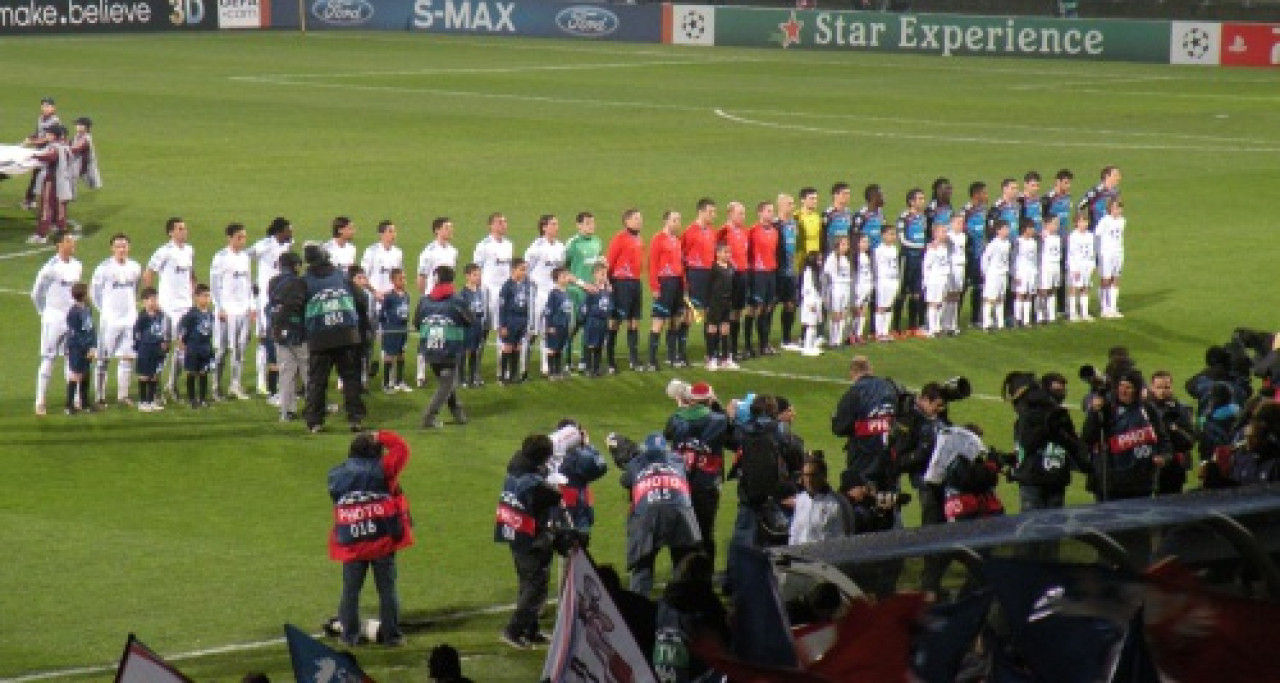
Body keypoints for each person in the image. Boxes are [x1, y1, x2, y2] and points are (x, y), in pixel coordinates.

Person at [328, 430, 413, 647]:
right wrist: (380, 435)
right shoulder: (384, 469)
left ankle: (350, 637)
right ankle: (392, 637)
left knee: (350, 591)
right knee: (387, 590)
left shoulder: (336, 474)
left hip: (352, 539)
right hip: (381, 539)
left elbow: (337, 497)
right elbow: (402, 448)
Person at [288, 244, 368, 433]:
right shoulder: (342, 276)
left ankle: (315, 421)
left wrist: (303, 329)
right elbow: (361, 300)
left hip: (319, 338)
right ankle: (355, 419)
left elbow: (294, 308)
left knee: (317, 381)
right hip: (347, 335)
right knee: (350, 378)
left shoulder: (304, 282)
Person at [495, 434, 562, 649]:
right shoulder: (533, 484)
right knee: (535, 586)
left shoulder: (516, 467)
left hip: (515, 533)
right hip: (531, 538)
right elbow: (556, 496)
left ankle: (530, 631)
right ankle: (513, 631)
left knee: (528, 583)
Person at [621, 433, 702, 596]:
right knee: (683, 564)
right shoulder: (678, 460)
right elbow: (689, 473)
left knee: (643, 564)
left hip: (647, 516)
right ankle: (685, 609)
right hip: (680, 515)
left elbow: (625, 481)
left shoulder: (637, 462)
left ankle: (637, 609)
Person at [664, 381, 729, 569]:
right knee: (705, 533)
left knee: (680, 533)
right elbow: (729, 426)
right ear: (709, 399)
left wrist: (683, 407)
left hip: (680, 485)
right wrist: (717, 404)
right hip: (706, 486)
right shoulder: (718, 420)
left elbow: (667, 434)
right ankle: (704, 578)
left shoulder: (676, 419)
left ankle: (680, 574)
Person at [1082, 369, 1170, 501]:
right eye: (1121, 387)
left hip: (1142, 482)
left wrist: (1163, 456)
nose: (1123, 391)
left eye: (1128, 387)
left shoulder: (1148, 409)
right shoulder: (1106, 409)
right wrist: (1094, 413)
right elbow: (1088, 437)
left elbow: (1163, 440)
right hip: (1111, 483)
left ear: (1137, 390)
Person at [652, 553, 730, 683]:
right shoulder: (705, 602)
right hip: (696, 671)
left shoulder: (663, 603)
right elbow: (724, 638)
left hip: (662, 669)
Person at [413, 265, 474, 428]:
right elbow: (470, 320)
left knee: (446, 382)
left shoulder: (424, 301)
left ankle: (458, 414)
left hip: (429, 348)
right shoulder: (457, 301)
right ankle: (429, 417)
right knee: (447, 384)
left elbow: (416, 323)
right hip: (449, 348)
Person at [143, 217, 196, 400]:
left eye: (185, 228)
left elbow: (192, 274)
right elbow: (148, 273)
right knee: (164, 349)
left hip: (186, 307)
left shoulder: (189, 250)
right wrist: (152, 299)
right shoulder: (164, 252)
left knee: (183, 348)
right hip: (169, 308)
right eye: (180, 229)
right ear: (171, 232)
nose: (184, 231)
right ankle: (155, 389)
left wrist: (194, 293)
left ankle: (172, 385)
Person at [31, 232, 83, 416]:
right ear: (59, 245)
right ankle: (40, 401)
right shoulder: (49, 269)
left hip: (72, 319)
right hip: (53, 319)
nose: (73, 243)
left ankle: (74, 400)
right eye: (69, 241)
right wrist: (44, 312)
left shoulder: (77, 265)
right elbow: (36, 294)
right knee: (49, 358)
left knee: (72, 358)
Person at [831, 355, 899, 491]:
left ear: (853, 373)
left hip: (864, 457)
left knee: (862, 500)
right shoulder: (890, 388)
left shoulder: (855, 392)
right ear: (871, 370)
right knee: (889, 500)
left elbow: (839, 428)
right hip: (889, 457)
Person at [89, 232, 141, 407]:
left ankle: (123, 395)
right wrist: (105, 310)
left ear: (129, 247)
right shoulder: (103, 268)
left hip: (129, 320)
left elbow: (136, 290)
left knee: (127, 358)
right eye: (118, 246)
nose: (121, 249)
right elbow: (94, 293)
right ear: (112, 248)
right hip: (110, 321)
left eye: (124, 245)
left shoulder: (135, 267)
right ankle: (100, 397)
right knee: (103, 358)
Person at [246, 217, 294, 397]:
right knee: (264, 339)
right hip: (264, 300)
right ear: (280, 231)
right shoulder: (264, 245)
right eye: (289, 230)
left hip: (281, 299)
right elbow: (245, 257)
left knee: (279, 339)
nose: (292, 233)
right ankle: (261, 382)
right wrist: (252, 284)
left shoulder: (287, 244)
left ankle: (280, 380)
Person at [210, 223, 256, 400]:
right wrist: (219, 307)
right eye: (239, 237)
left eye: (244, 237)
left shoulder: (245, 257)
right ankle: (215, 387)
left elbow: (249, 283)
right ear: (229, 238)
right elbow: (214, 285)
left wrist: (252, 306)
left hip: (243, 310)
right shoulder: (220, 257)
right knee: (221, 351)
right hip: (227, 311)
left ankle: (235, 385)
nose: (243, 240)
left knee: (240, 350)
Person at [548, 420, 608, 547]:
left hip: (554, 506)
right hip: (577, 508)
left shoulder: (550, 453)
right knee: (577, 550)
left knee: (560, 548)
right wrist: (587, 445)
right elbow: (600, 467)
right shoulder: (577, 455)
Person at [416, 218, 459, 386]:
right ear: (437, 230)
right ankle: (420, 374)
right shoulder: (428, 252)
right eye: (447, 228)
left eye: (451, 227)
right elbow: (421, 277)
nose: (450, 230)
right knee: (427, 334)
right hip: (432, 299)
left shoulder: (453, 251)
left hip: (447, 299)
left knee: (446, 334)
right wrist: (425, 297)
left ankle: (444, 370)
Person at [473, 213, 514, 382]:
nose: (503, 225)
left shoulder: (509, 245)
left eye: (504, 221)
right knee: (482, 332)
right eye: (499, 222)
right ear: (491, 226)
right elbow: (476, 270)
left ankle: (501, 371)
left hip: (504, 294)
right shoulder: (483, 246)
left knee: (502, 331)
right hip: (488, 293)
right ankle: (475, 370)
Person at [562, 212, 604, 373]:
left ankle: (583, 360)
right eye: (587, 223)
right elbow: (563, 269)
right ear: (578, 225)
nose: (591, 226)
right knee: (572, 327)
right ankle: (566, 361)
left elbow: (598, 266)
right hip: (575, 291)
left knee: (589, 326)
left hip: (593, 292)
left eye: (592, 222)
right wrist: (581, 283)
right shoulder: (573, 244)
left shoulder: (597, 241)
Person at [525, 215, 566, 377]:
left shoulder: (560, 247)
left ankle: (546, 366)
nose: (556, 227)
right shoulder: (536, 247)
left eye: (557, 223)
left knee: (549, 330)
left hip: (554, 295)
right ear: (544, 227)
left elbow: (561, 270)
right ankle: (523, 367)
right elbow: (526, 270)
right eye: (553, 224)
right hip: (539, 295)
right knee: (533, 331)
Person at [268, 252, 307, 422]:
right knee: (309, 371)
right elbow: (301, 305)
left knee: (286, 373)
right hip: (297, 331)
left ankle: (286, 411)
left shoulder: (273, 282)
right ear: (294, 265)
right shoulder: (299, 282)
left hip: (278, 331)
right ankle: (314, 408)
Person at [606, 209, 647, 372]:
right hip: (621, 283)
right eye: (636, 218)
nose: (639, 221)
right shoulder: (619, 238)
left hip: (635, 283)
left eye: (640, 218)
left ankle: (634, 359)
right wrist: (610, 284)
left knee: (634, 320)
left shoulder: (639, 239)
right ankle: (610, 361)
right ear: (627, 221)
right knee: (615, 321)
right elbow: (610, 261)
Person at [789, 453, 855, 545]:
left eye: (813, 475)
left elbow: (846, 537)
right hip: (800, 556)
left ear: (823, 476)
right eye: (806, 475)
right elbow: (795, 533)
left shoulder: (838, 503)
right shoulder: (801, 500)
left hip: (825, 557)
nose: (809, 480)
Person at [648, 210, 685, 370]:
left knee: (675, 320)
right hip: (664, 283)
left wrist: (684, 284)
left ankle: (671, 357)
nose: (677, 223)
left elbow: (680, 264)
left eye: (679, 220)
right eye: (674, 220)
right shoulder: (658, 239)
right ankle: (651, 360)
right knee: (659, 321)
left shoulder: (677, 240)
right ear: (666, 221)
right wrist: (655, 286)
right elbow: (653, 264)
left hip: (677, 283)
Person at [1149, 370, 1195, 495]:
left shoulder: (1182, 410)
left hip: (1174, 467)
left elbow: (1190, 441)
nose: (1163, 391)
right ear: (1152, 388)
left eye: (1166, 387)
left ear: (1172, 387)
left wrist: (1174, 430)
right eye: (1159, 387)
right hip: (1149, 465)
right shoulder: (1144, 409)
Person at [28, 124, 74, 244]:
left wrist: (34, 155)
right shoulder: (65, 146)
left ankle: (41, 234)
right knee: (60, 207)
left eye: (48, 134)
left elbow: (51, 157)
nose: (46, 136)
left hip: (52, 181)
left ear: (53, 136)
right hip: (64, 181)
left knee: (45, 207)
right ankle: (62, 232)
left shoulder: (54, 147)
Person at [717, 202, 751, 362]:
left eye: (743, 213)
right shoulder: (724, 232)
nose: (743, 217)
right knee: (727, 312)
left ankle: (734, 347)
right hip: (729, 275)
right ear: (730, 214)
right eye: (739, 213)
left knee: (738, 311)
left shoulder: (745, 231)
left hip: (742, 275)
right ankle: (725, 348)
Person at [747, 201, 780, 356]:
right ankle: (748, 345)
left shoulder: (774, 231)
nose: (771, 213)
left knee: (768, 308)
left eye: (772, 210)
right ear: (760, 213)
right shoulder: (753, 231)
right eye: (768, 211)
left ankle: (764, 344)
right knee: (756, 308)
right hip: (758, 273)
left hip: (771, 273)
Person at [895, 188, 929, 336]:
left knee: (917, 293)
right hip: (907, 258)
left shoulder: (923, 217)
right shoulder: (904, 217)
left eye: (923, 198)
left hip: (920, 258)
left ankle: (912, 326)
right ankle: (896, 327)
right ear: (911, 201)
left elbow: (924, 236)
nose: (922, 201)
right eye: (919, 198)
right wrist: (921, 246)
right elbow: (902, 240)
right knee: (902, 292)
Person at [176, 284, 215, 409]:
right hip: (193, 347)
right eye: (204, 296)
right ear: (196, 297)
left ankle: (202, 399)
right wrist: (181, 342)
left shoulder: (210, 314)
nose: (207, 299)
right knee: (192, 373)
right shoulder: (191, 314)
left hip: (205, 347)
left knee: (204, 373)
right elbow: (182, 329)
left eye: (208, 296)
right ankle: (192, 399)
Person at [1043, 169, 1075, 316]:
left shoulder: (1068, 197)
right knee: (1048, 276)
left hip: (1064, 240)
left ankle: (1062, 307)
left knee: (1063, 273)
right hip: (1050, 242)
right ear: (1058, 182)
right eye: (1066, 183)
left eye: (1069, 183)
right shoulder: (1048, 198)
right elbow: (1043, 218)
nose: (1068, 186)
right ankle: (1043, 309)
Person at [133, 288, 170, 412]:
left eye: (155, 299)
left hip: (157, 348)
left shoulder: (160, 315)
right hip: (145, 348)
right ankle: (142, 402)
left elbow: (162, 330)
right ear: (144, 301)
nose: (154, 302)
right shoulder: (142, 317)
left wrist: (163, 342)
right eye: (151, 299)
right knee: (144, 375)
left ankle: (151, 401)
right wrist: (139, 347)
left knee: (154, 375)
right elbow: (136, 334)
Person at [497, 258, 532, 384]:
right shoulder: (507, 286)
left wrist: (527, 322)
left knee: (517, 347)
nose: (524, 272)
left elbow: (528, 305)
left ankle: (513, 374)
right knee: (508, 347)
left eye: (525, 270)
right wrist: (503, 325)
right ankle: (502, 376)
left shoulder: (525, 285)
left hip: (521, 320)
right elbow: (501, 307)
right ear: (513, 270)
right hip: (510, 320)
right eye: (521, 269)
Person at [64, 283, 96, 414]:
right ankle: (69, 405)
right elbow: (75, 334)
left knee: (85, 373)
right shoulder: (73, 313)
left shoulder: (87, 309)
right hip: (77, 348)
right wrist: (86, 348)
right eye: (88, 292)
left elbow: (91, 328)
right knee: (76, 375)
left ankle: (85, 403)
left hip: (88, 346)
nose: (90, 294)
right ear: (83, 295)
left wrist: (93, 346)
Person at [961, 181, 989, 327]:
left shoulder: (984, 209)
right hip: (969, 254)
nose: (987, 195)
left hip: (981, 254)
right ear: (976, 194)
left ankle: (975, 318)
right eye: (984, 193)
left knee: (979, 285)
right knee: (963, 286)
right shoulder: (967, 210)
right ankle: (954, 318)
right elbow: (960, 229)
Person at [378, 269, 411, 393]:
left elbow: (406, 312)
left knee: (401, 354)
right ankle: (386, 383)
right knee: (389, 356)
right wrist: (385, 328)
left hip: (403, 329)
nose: (403, 281)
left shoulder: (406, 295)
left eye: (404, 278)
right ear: (393, 281)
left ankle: (399, 381)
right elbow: (382, 314)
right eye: (400, 279)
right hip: (391, 329)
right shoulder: (389, 297)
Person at [774, 193, 800, 350]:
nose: (793, 206)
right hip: (778, 271)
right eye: (789, 204)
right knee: (770, 305)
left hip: (791, 271)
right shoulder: (776, 225)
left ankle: (786, 338)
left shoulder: (793, 224)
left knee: (791, 304)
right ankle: (763, 342)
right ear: (781, 205)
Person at [1095, 198, 1126, 319]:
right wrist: (1098, 253)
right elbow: (1097, 236)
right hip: (1106, 253)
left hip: (1118, 253)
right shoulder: (1104, 221)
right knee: (1105, 280)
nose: (1117, 211)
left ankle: (1113, 307)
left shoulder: (1123, 221)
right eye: (1114, 208)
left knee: (1116, 279)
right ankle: (1104, 308)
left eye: (1119, 208)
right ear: (1109, 209)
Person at [980, 220, 1012, 331]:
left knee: (1000, 298)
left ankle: (1000, 323)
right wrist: (986, 273)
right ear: (998, 231)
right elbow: (985, 258)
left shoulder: (1007, 243)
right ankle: (986, 323)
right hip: (993, 274)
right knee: (989, 298)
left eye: (1007, 228)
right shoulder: (993, 244)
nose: (1007, 231)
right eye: (1004, 228)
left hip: (1003, 274)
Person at [542, 268, 574, 379]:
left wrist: (569, 324)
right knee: (552, 349)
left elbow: (568, 311)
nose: (566, 278)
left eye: (566, 275)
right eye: (563, 276)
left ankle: (557, 370)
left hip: (564, 326)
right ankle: (551, 372)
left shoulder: (566, 293)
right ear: (556, 279)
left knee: (559, 348)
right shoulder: (553, 294)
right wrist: (549, 326)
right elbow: (548, 311)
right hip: (555, 326)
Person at [581, 263, 612, 377]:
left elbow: (609, 305)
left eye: (605, 274)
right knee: (591, 344)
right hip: (593, 321)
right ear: (594, 274)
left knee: (599, 345)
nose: (604, 276)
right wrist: (585, 320)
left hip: (603, 322)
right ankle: (588, 368)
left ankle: (596, 368)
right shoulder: (591, 289)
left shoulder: (607, 290)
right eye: (601, 274)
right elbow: (585, 306)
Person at [921, 224, 952, 338]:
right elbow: (926, 265)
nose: (945, 234)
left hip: (943, 278)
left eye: (945, 232)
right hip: (934, 279)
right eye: (943, 232)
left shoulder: (944, 246)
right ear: (935, 234)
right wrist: (926, 280)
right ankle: (931, 328)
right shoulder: (932, 248)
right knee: (933, 303)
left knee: (940, 302)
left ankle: (937, 326)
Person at [822, 235, 852, 346]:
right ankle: (832, 340)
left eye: (847, 244)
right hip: (836, 288)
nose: (846, 247)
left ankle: (838, 340)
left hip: (845, 288)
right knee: (836, 314)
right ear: (837, 245)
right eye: (843, 244)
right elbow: (826, 276)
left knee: (843, 314)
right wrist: (826, 293)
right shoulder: (831, 258)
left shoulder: (845, 259)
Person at [873, 226, 901, 342]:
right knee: (881, 306)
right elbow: (875, 267)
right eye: (890, 234)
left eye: (894, 234)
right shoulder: (878, 250)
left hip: (893, 280)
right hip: (883, 280)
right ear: (883, 235)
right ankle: (879, 333)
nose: (893, 237)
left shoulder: (894, 249)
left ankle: (885, 331)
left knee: (889, 306)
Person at [1066, 213, 1096, 322]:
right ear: (1076, 223)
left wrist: (1092, 265)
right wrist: (1074, 268)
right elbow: (1071, 254)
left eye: (1085, 221)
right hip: (1077, 266)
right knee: (1074, 289)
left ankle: (1084, 313)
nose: (1083, 224)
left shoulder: (1090, 236)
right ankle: (1073, 313)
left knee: (1085, 288)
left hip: (1087, 265)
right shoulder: (1073, 236)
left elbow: (1092, 252)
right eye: (1081, 222)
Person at [361, 220, 402, 300]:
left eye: (394, 232)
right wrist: (375, 292)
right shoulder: (371, 251)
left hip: (391, 298)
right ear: (381, 234)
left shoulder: (398, 253)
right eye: (390, 231)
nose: (394, 234)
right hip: (373, 298)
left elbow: (399, 277)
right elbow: (363, 276)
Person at [1011, 218, 1040, 328]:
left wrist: (1035, 271)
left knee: (1028, 295)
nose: (1033, 230)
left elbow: (1035, 258)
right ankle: (1017, 319)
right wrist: (1014, 274)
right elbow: (1013, 258)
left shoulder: (1033, 242)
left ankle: (1026, 320)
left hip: (1031, 272)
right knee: (1020, 295)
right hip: (1021, 271)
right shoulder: (1018, 241)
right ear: (1025, 229)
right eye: (1031, 228)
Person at [1036, 214, 1063, 324]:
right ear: (1047, 224)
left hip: (1055, 265)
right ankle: (1040, 315)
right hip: (1045, 266)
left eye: (1057, 223)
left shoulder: (1057, 237)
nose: (1057, 225)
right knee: (1043, 290)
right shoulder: (1042, 237)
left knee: (1052, 289)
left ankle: (1051, 315)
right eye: (1054, 223)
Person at [1079, 165, 1122, 230]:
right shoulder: (1096, 191)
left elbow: (1117, 210)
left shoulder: (1116, 192)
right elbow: (1080, 206)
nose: (1119, 178)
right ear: (1107, 176)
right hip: (1095, 230)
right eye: (1115, 175)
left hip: (1109, 230)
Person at [68, 116, 102, 198]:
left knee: (92, 183)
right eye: (77, 124)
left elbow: (76, 149)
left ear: (86, 127)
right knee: (70, 177)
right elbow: (70, 143)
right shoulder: (77, 136)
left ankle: (71, 196)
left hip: (85, 164)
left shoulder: (86, 138)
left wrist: (63, 150)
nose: (77, 126)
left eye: (80, 125)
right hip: (77, 162)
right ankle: (71, 196)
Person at [798, 251, 823, 356]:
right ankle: (807, 347)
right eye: (819, 259)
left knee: (814, 324)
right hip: (811, 301)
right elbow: (807, 289)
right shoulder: (808, 272)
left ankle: (811, 345)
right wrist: (810, 303)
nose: (821, 262)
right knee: (811, 325)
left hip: (815, 300)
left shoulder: (815, 272)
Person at [820, 181, 854, 256]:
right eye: (844, 193)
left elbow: (851, 233)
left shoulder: (849, 213)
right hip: (831, 253)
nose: (847, 196)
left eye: (848, 193)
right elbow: (822, 235)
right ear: (835, 195)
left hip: (845, 253)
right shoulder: (828, 214)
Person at [853, 183, 886, 249]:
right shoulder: (861, 215)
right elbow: (854, 236)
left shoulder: (880, 214)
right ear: (873, 197)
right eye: (881, 195)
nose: (884, 197)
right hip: (866, 253)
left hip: (879, 253)